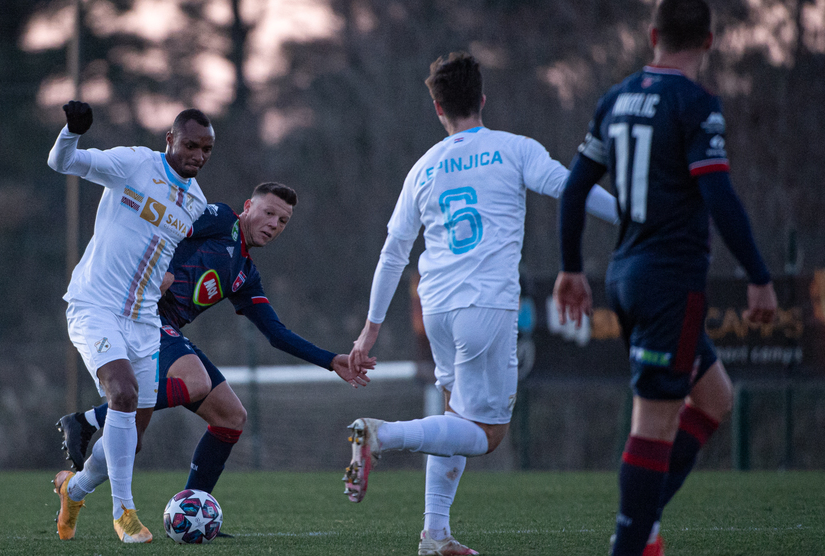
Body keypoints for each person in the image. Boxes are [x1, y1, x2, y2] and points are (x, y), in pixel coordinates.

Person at [344, 52, 619, 556]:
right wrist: (631, 217)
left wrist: (371, 328)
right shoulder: (514, 149)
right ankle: (383, 435)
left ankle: (435, 534)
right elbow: (572, 188)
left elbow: (393, 252)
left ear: (438, 108)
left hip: (436, 308)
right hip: (485, 305)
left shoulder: (423, 167)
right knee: (487, 434)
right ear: (483, 99)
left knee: (455, 416)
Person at [553, 2, 778, 555]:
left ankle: (644, 526)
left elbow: (575, 188)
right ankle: (631, 542)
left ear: (653, 34)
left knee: (715, 397)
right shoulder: (695, 103)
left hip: (625, 276)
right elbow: (718, 194)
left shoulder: (616, 98)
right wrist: (758, 275)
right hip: (670, 284)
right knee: (653, 424)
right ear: (709, 40)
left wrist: (572, 267)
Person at [55, 182, 375, 534]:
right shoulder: (222, 218)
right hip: (141, 316)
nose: (274, 224)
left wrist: (331, 360)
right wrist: (155, 269)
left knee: (228, 417)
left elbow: (276, 333)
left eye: (283, 221)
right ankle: (88, 419)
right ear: (248, 207)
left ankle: (86, 492)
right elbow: (169, 224)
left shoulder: (245, 274)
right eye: (269, 213)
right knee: (195, 382)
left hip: (165, 329)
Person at [47, 101, 215, 543]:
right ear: (170, 140)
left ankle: (73, 490)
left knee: (130, 439)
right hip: (95, 306)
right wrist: (72, 132)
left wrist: (162, 276)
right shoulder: (134, 164)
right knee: (121, 393)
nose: (198, 155)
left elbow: (159, 247)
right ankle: (124, 513)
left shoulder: (196, 202)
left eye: (206, 149)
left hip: (143, 320)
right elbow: (62, 162)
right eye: (191, 145)